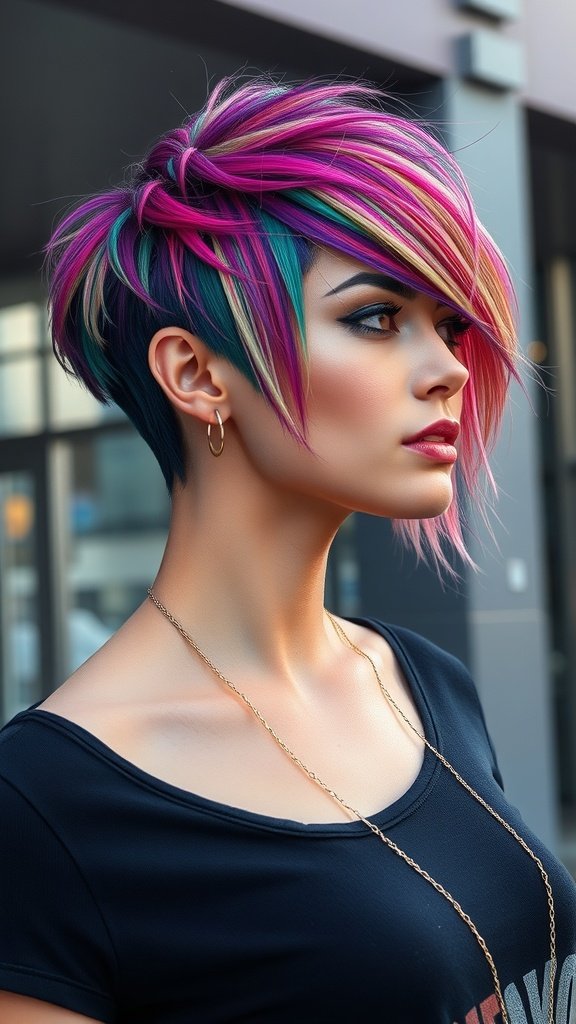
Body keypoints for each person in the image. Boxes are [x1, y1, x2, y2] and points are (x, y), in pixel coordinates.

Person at [0, 76, 574, 1024]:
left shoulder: (425, 681)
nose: (447, 374)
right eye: (377, 318)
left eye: (451, 326)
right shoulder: (46, 809)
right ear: (194, 373)